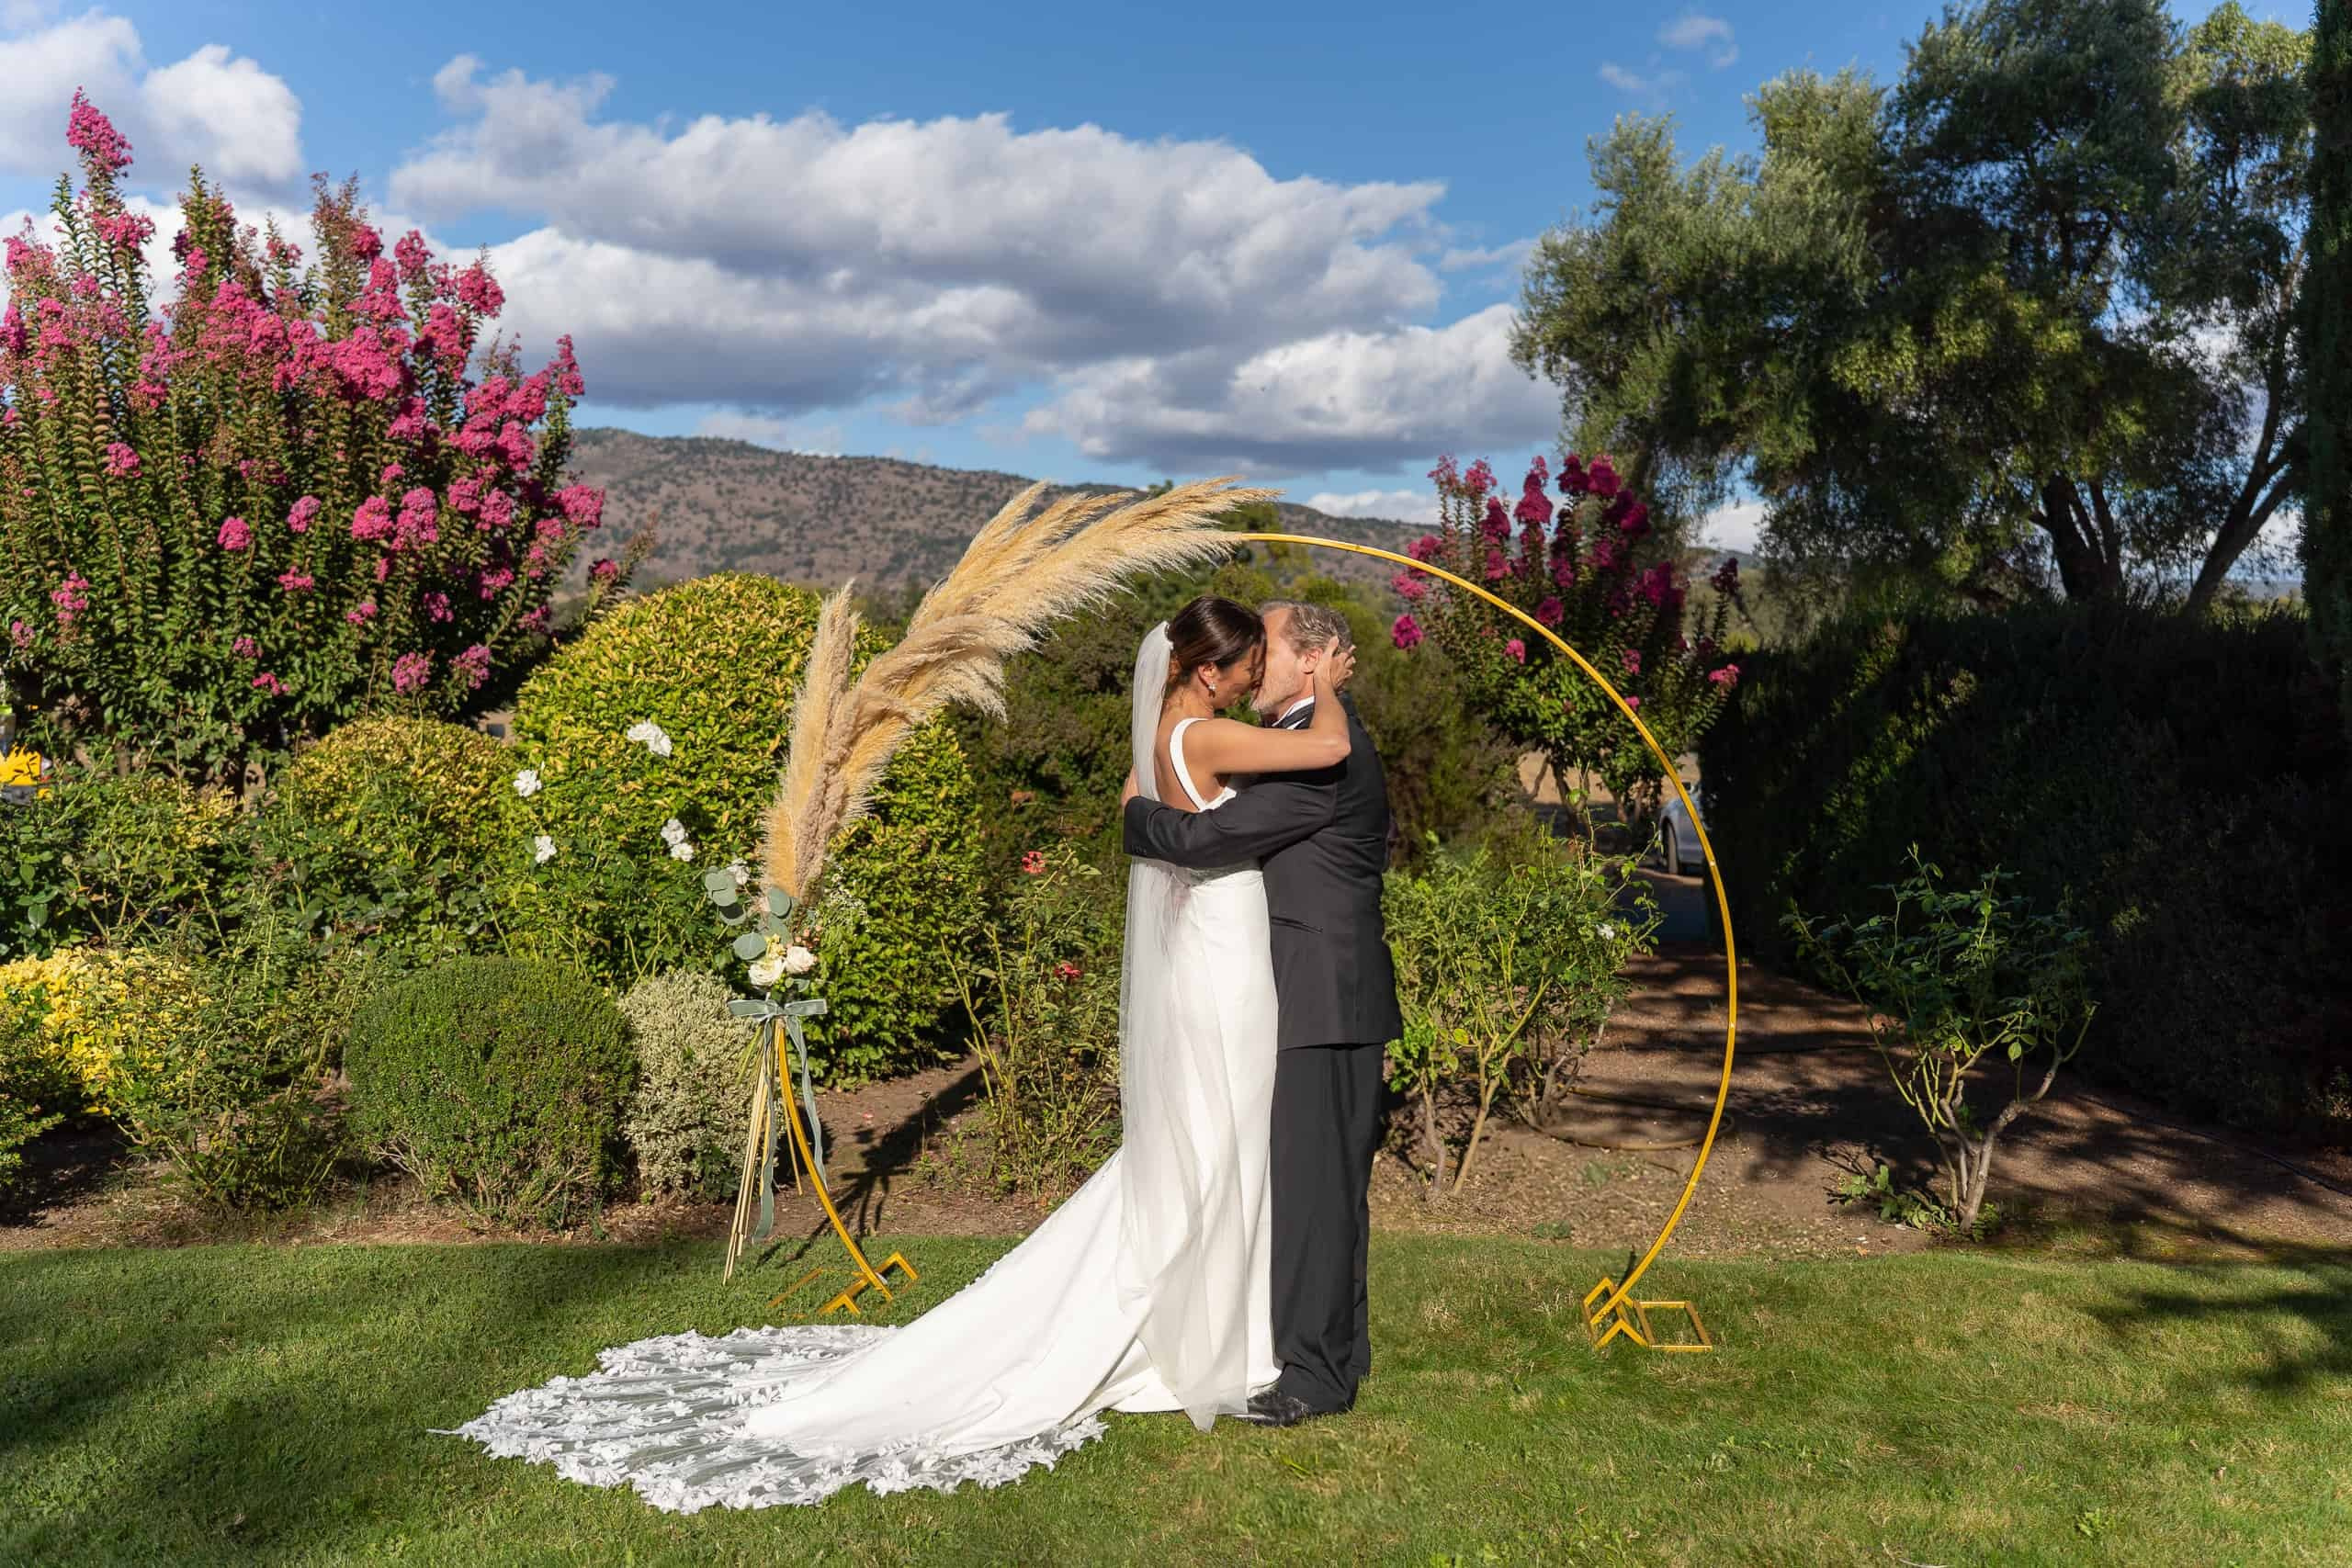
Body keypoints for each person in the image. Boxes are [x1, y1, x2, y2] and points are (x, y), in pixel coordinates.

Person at [439, 594, 1353, 1512]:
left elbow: (1135, 813)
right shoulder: (1207, 735)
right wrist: (1327, 682)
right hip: (1225, 959)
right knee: (1219, 1131)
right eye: (1244, 668)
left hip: (1212, 946)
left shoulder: (1160, 737)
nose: (1251, 680)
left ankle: (1222, 1319)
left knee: (1211, 1133)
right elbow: (1327, 751)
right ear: (1208, 671)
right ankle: (1204, 1327)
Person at [1123, 600, 1401, 1427]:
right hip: (1325, 988)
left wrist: (1138, 814)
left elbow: (1213, 840)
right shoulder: (1300, 733)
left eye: (1268, 649)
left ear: (1309, 659)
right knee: (1326, 1184)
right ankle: (1336, 1353)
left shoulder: (1320, 748)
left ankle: (1315, 1376)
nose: (1253, 665)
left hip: (1324, 989)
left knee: (1318, 1188)